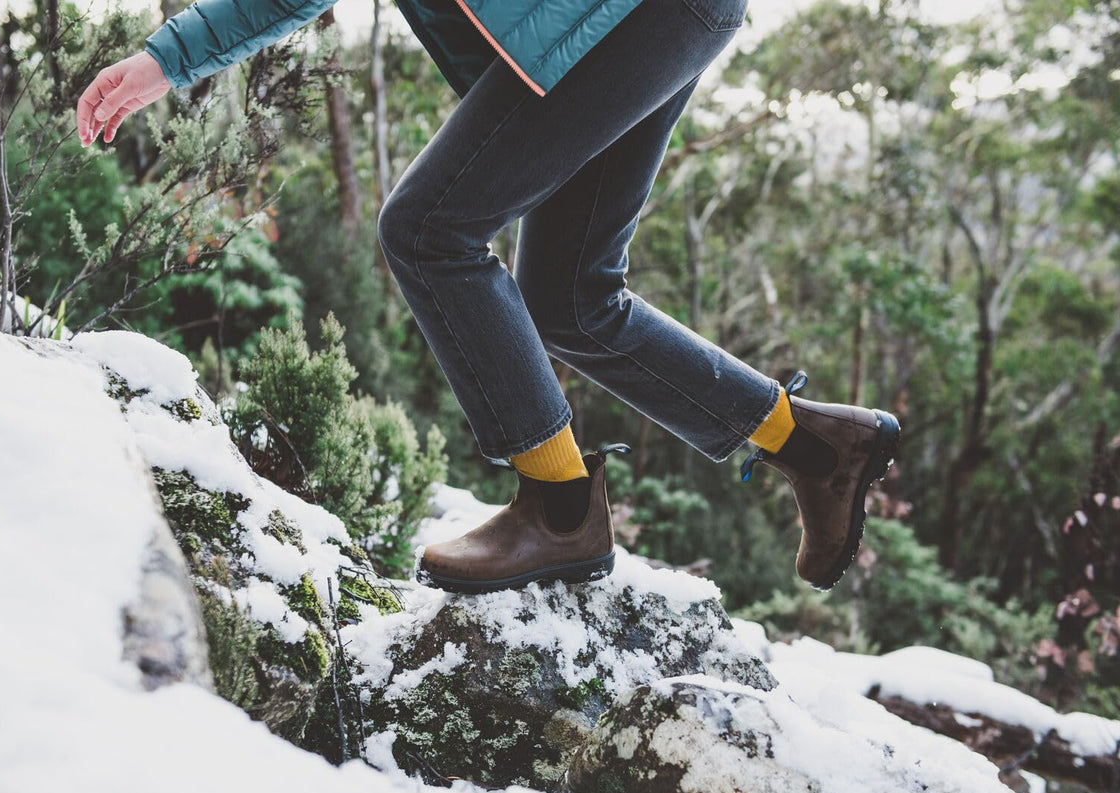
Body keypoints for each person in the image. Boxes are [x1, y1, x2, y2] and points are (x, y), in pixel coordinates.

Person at [77, 0, 901, 596]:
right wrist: (167, 58)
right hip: (647, 17)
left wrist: (168, 59)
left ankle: (560, 510)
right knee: (570, 298)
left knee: (431, 227)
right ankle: (818, 447)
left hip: (630, 16)